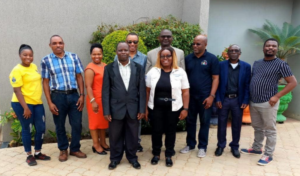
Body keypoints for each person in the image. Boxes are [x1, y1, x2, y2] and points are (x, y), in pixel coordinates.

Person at [241, 38, 297, 166]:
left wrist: (277, 96)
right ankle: (256, 148)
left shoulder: (281, 64)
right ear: (263, 48)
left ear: (277, 49)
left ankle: (268, 154)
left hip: (268, 102)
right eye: (268, 45)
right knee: (257, 127)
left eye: (273, 46)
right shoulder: (257, 63)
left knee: (270, 129)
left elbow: (293, 82)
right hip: (254, 101)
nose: (270, 48)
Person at [41, 35, 86, 162]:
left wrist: (82, 95)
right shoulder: (46, 60)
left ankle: (75, 148)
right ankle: (63, 149)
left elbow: (79, 77)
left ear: (64, 44)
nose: (58, 45)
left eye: (60, 42)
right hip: (57, 96)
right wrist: (50, 102)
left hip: (74, 95)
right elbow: (45, 82)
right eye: (54, 43)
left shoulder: (73, 57)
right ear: (50, 45)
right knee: (59, 125)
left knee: (77, 124)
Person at [102, 42, 146, 170]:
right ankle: (115, 159)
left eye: (125, 50)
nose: (123, 52)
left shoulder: (138, 67)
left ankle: (132, 158)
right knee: (115, 136)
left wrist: (141, 109)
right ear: (116, 52)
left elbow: (142, 90)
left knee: (133, 135)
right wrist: (106, 110)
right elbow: (105, 91)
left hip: (133, 108)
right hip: (115, 108)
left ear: (129, 51)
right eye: (120, 50)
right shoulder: (109, 68)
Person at [145, 47, 189, 167]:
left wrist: (185, 109)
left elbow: (185, 92)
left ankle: (168, 155)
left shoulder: (180, 72)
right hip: (156, 107)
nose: (165, 58)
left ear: (172, 57)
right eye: (163, 56)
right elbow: (147, 91)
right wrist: (145, 109)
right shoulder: (153, 71)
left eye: (168, 56)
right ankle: (156, 154)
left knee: (171, 132)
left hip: (173, 107)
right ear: (159, 58)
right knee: (156, 131)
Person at [10, 44, 51, 166]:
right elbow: (17, 90)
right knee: (27, 129)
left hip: (37, 102)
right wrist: (25, 108)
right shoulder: (17, 70)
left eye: (30, 55)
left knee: (41, 128)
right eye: (25, 55)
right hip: (22, 104)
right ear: (20, 55)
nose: (28, 57)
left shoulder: (33, 66)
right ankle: (29, 155)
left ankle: (37, 152)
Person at [180, 35, 219, 158]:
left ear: (205, 45)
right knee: (190, 121)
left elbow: (215, 78)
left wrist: (211, 96)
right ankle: (190, 144)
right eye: (194, 44)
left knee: (204, 122)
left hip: (205, 97)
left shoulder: (212, 59)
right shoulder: (188, 58)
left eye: (198, 44)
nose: (195, 46)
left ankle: (202, 147)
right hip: (190, 97)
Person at [215, 44, 251, 158]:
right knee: (221, 124)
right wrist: (218, 98)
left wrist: (245, 99)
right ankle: (221, 146)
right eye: (231, 50)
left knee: (237, 124)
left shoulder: (246, 66)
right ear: (228, 53)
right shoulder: (221, 65)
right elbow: (216, 83)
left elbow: (247, 85)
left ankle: (235, 146)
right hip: (224, 99)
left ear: (240, 53)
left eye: (236, 50)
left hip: (238, 100)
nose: (234, 52)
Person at [114, 32, 147, 152]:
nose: (132, 44)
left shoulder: (143, 58)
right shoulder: (117, 56)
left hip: (135, 95)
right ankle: (122, 143)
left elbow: (144, 78)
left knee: (135, 121)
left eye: (135, 42)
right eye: (129, 42)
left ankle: (136, 143)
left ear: (138, 43)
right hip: (122, 96)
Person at [85, 43, 109, 155]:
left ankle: (103, 142)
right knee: (95, 123)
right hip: (94, 100)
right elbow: (88, 86)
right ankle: (96, 144)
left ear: (102, 54)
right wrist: (92, 101)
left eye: (99, 54)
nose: (97, 56)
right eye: (94, 54)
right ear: (91, 55)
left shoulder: (105, 66)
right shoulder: (90, 68)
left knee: (103, 122)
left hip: (104, 99)